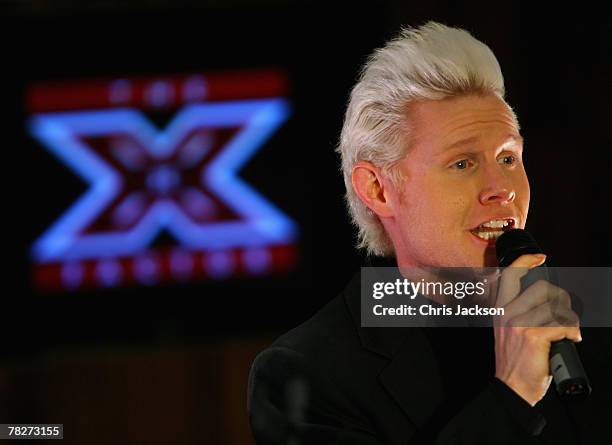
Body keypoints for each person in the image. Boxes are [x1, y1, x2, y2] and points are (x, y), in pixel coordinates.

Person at [247, 22, 611, 444]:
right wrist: (512, 394)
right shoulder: (306, 376)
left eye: (508, 158)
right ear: (378, 189)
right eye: (463, 164)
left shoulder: (589, 321)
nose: (502, 189)